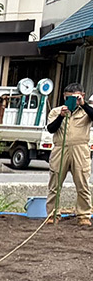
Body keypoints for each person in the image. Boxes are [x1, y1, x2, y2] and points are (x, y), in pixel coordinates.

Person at [45, 85, 92, 227]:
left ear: (82, 95)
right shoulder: (56, 111)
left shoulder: (86, 112)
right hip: (60, 148)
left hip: (80, 148)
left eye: (76, 97)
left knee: (82, 183)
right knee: (55, 184)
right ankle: (53, 214)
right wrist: (61, 116)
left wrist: (83, 105)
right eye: (68, 97)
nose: (72, 100)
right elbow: (51, 129)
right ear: (64, 96)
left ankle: (83, 215)